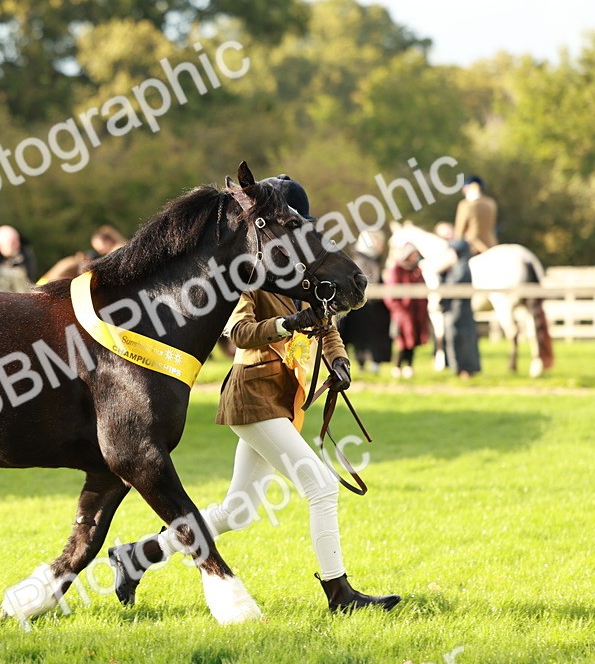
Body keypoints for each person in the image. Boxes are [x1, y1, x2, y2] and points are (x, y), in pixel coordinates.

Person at [107, 175, 401, 616]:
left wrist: (339, 360)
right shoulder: (255, 273)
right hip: (252, 395)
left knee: (238, 510)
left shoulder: (304, 277)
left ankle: (138, 556)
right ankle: (340, 594)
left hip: (282, 400)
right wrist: (285, 326)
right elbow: (240, 334)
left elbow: (326, 325)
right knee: (321, 488)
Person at [337, 230, 392, 374]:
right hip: (363, 309)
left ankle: (373, 364)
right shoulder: (361, 261)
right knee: (361, 338)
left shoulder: (374, 260)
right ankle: (363, 364)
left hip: (375, 309)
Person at [433, 222, 481, 378]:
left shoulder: (459, 248)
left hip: (459, 298)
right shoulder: (447, 250)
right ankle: (457, 366)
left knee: (461, 331)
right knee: (453, 331)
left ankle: (465, 367)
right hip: (451, 299)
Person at [383, 243, 430, 379]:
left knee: (413, 340)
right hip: (402, 312)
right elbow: (391, 293)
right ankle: (397, 366)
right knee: (402, 340)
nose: (415, 257)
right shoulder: (397, 269)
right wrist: (398, 308)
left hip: (416, 311)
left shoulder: (417, 270)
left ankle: (409, 366)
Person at [453, 175, 497, 255]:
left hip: (473, 247)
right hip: (491, 244)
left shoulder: (465, 205)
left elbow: (460, 230)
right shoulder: (491, 203)